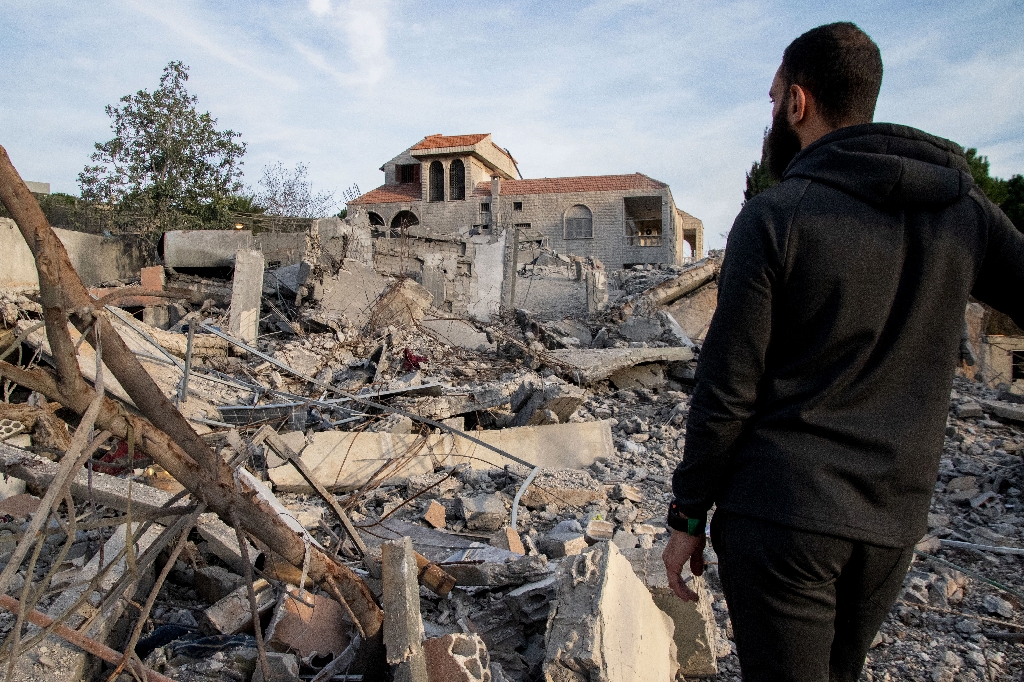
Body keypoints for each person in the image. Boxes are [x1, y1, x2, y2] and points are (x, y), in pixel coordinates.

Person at [662, 21, 1024, 682]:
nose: (773, 114)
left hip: (781, 514)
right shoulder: (962, 208)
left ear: (799, 103)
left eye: (775, 99)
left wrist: (687, 514)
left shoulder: (776, 215)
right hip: (891, 523)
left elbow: (727, 387)